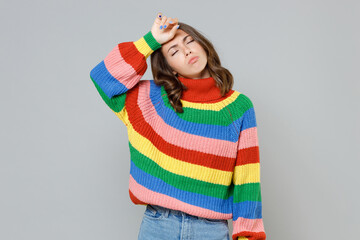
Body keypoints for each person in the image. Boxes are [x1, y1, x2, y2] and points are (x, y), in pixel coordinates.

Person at [89, 12, 266, 240]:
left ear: (203, 45)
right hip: (158, 226)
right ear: (170, 67)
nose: (187, 50)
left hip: (210, 230)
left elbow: (247, 182)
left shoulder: (238, 107)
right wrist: (151, 40)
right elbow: (102, 77)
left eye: (190, 41)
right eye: (174, 51)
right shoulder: (149, 100)